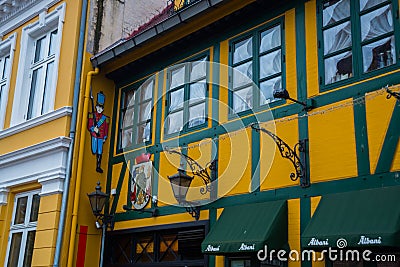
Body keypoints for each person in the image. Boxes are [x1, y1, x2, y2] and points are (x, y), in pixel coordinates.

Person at [88, 91, 109, 173]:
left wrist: (105, 137)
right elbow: (89, 126)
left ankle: (98, 166)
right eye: (98, 107)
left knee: (100, 151)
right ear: (96, 107)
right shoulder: (92, 115)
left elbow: (106, 129)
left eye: (101, 108)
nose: (99, 109)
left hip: (100, 137)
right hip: (94, 135)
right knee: (94, 149)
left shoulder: (104, 118)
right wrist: (93, 129)